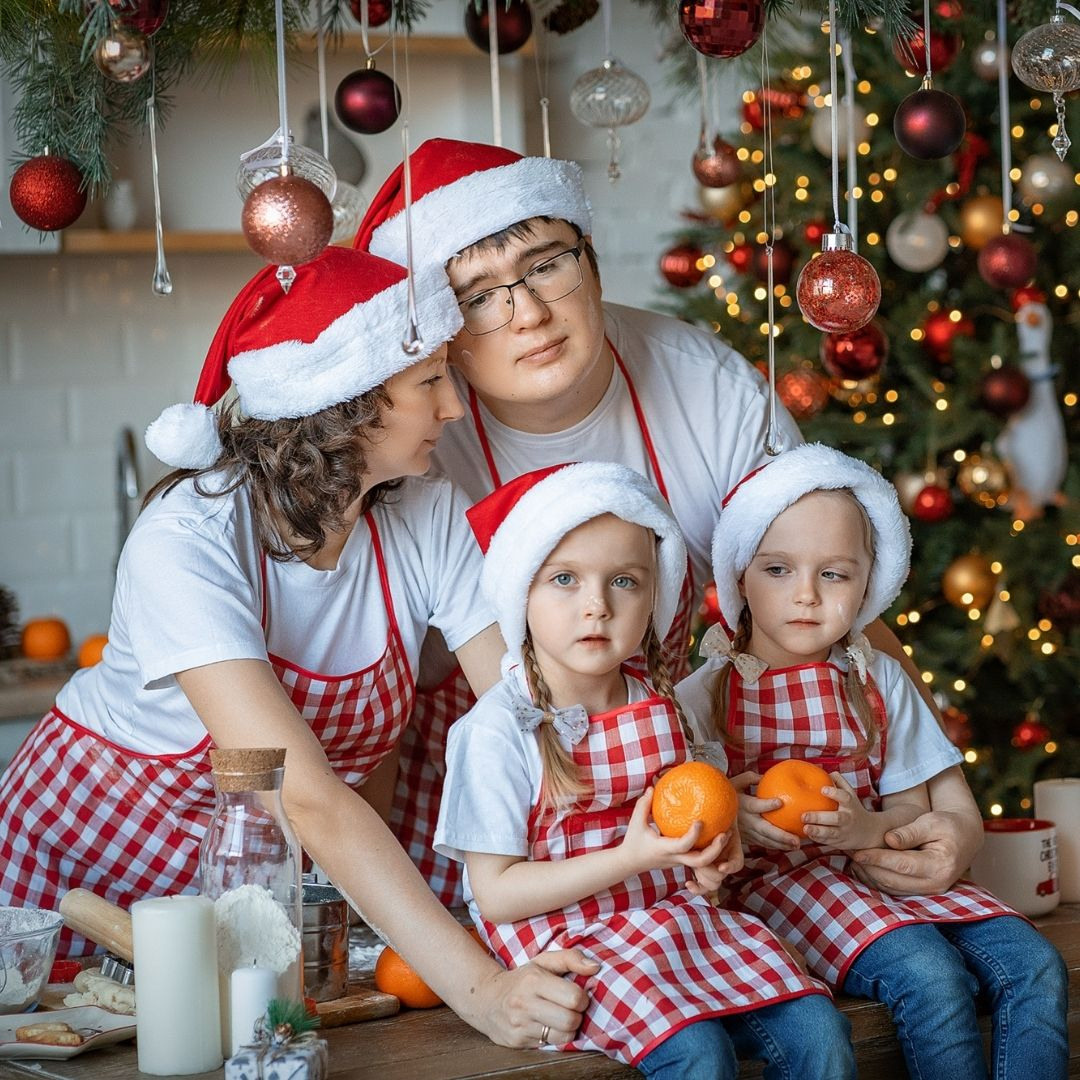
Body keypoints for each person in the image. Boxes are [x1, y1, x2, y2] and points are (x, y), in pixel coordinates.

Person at [354, 137, 985, 907]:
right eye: (478, 296)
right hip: (491, 823)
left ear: (590, 257)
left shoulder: (704, 385)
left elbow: (826, 593)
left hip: (683, 810)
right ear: (439, 327)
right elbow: (415, 695)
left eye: (547, 263)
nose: (529, 315)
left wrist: (953, 805)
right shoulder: (419, 437)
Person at [0, 247, 593, 1049]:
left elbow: (521, 716)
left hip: (254, 894)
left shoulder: (426, 517)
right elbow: (302, 794)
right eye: (428, 383)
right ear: (345, 404)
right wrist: (484, 991)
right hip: (86, 873)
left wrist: (635, 830)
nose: (455, 406)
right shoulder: (190, 539)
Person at [435, 461, 854, 1080]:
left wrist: (710, 857)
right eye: (565, 580)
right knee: (698, 1055)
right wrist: (630, 859)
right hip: (570, 945)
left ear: (655, 596)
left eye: (624, 582)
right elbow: (496, 895)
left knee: (821, 1030)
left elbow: (687, 826)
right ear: (520, 591)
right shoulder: (497, 732)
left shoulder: (661, 705)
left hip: (674, 926)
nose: (596, 606)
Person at [676, 442, 1069, 1079]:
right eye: (778, 569)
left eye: (834, 574)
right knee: (930, 976)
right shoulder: (708, 693)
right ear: (739, 573)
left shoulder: (875, 679)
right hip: (787, 887)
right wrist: (736, 818)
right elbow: (690, 817)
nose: (805, 596)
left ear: (867, 583)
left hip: (888, 869)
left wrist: (867, 829)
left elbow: (916, 801)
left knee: (1035, 966)